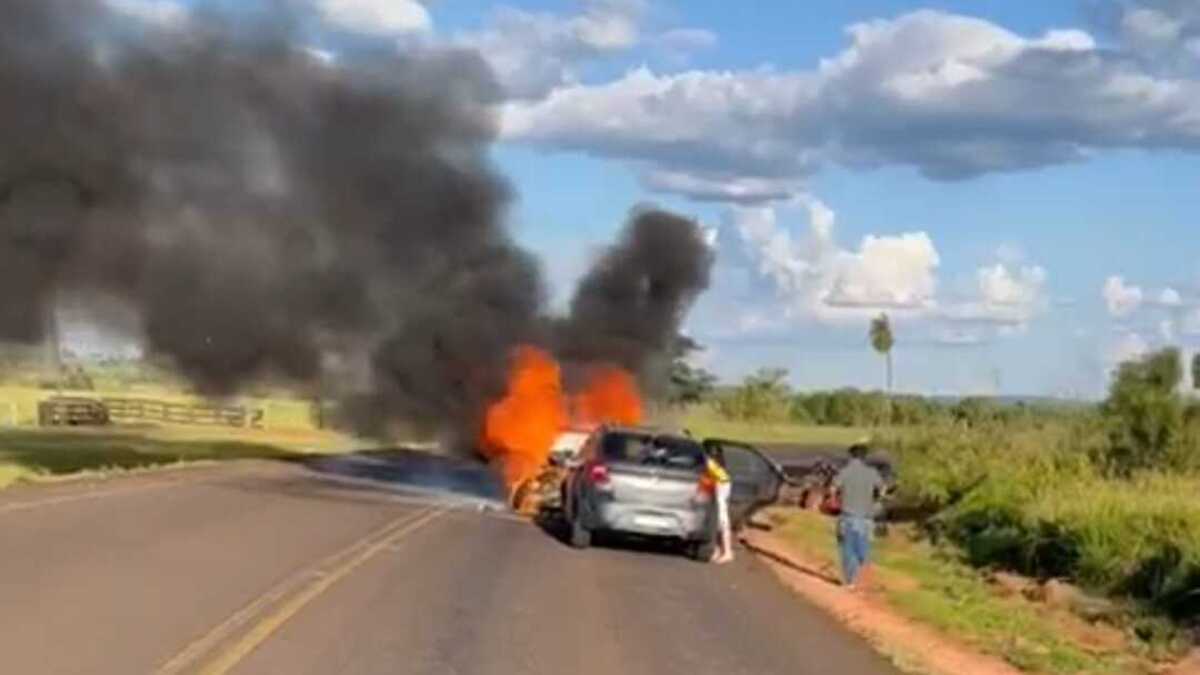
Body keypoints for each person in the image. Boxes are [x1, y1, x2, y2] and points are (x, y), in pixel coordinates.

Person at [831, 441, 884, 589]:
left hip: (847, 515)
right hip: (866, 517)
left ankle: (850, 581)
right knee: (862, 547)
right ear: (865, 457)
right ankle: (864, 567)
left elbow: (833, 489)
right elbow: (882, 490)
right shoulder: (872, 473)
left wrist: (836, 500)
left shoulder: (845, 472)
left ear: (851, 456)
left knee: (847, 549)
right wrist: (876, 501)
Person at [704, 451, 734, 564]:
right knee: (716, 523)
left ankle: (727, 552)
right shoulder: (714, 465)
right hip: (720, 490)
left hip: (720, 490)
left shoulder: (710, 464)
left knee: (722, 521)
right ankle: (718, 550)